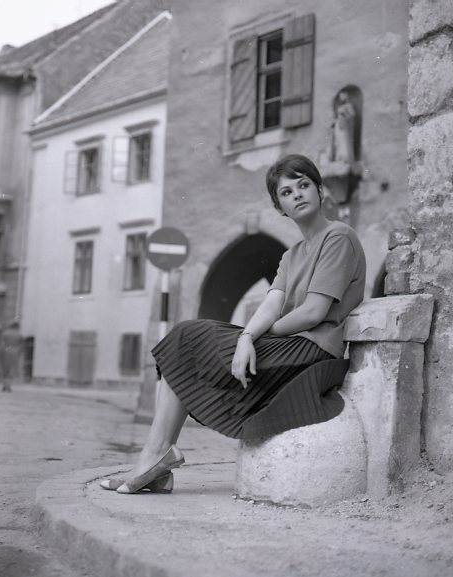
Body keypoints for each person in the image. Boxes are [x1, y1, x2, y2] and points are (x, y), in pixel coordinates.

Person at [100, 154, 366, 494]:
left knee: (187, 338)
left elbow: (313, 313)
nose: (297, 194)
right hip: (289, 346)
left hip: (312, 353)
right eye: (286, 192)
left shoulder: (338, 236)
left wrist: (254, 337)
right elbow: (271, 303)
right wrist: (246, 337)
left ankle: (156, 458)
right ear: (279, 207)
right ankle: (155, 460)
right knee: (184, 341)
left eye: (303, 185)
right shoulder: (293, 254)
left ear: (319, 189)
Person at [0, 320, 23, 392]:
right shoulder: (19, 335)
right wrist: (18, 352)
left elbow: (2, 345)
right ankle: (8, 386)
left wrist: (0, 354)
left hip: (6, 352)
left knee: (5, 370)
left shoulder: (5, 334)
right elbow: (21, 346)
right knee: (11, 370)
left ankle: (5, 385)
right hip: (15, 352)